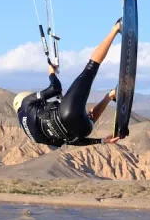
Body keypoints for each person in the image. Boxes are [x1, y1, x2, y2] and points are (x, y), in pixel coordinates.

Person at [12, 19, 123, 148]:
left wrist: (102, 141)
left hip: (82, 130)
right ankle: (116, 29)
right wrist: (51, 74)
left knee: (88, 117)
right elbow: (55, 89)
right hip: (66, 112)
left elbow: (71, 142)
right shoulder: (26, 103)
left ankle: (110, 95)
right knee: (90, 68)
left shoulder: (33, 137)